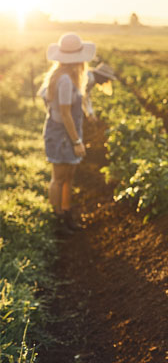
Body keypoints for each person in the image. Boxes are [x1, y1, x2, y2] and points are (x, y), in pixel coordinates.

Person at [40, 33, 97, 233]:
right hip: (61, 135)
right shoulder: (64, 80)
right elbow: (64, 114)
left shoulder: (68, 76)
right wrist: (76, 141)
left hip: (66, 133)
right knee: (59, 177)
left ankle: (66, 213)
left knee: (69, 176)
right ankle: (57, 219)